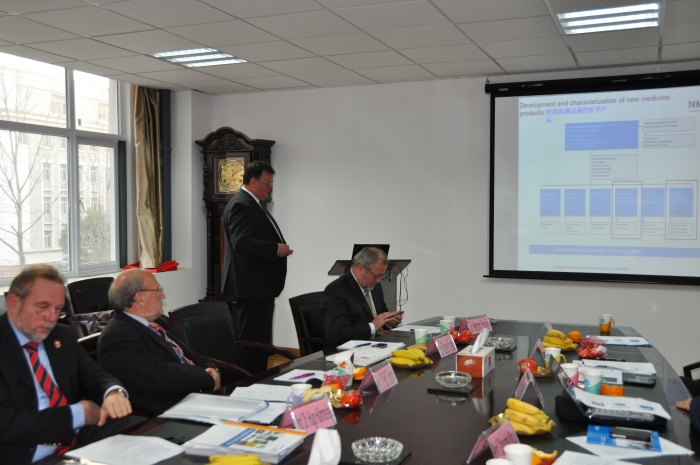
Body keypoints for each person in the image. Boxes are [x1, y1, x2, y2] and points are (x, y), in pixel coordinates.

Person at [0, 265, 136, 465]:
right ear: (13, 303)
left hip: (77, 439)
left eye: (58, 309)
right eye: (43, 307)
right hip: (27, 453)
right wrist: (78, 415)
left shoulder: (61, 335)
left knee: (143, 433)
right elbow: (6, 423)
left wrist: (113, 393)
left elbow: (94, 375)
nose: (52, 318)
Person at [97, 269, 221, 415]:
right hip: (169, 410)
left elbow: (187, 354)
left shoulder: (159, 321)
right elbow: (159, 377)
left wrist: (211, 368)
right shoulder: (117, 336)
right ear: (140, 298)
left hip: (195, 394)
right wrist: (204, 376)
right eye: (158, 290)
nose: (163, 295)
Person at [222, 161, 292, 373]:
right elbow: (241, 242)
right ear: (253, 181)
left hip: (260, 287)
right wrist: (275, 249)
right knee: (253, 341)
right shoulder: (241, 205)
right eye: (268, 183)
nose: (270, 188)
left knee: (260, 341)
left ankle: (260, 378)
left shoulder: (252, 204)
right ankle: (250, 381)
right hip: (252, 287)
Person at [323, 247, 403, 345]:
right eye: (377, 275)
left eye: (381, 276)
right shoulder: (336, 290)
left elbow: (380, 314)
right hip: (353, 349)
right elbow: (337, 334)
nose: (379, 280)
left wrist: (389, 320)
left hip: (378, 343)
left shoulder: (375, 286)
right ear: (361, 268)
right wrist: (373, 326)